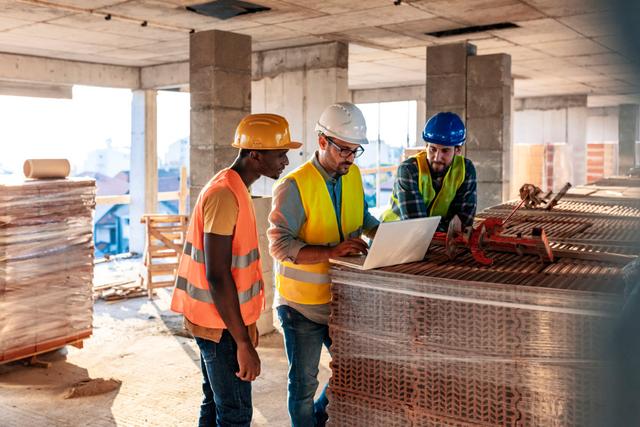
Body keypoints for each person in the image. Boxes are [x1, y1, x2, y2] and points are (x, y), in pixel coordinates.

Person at [171, 113, 301, 427]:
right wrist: (242, 342)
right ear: (255, 154)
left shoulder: (234, 187)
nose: (285, 160)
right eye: (279, 153)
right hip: (220, 327)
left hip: (221, 320)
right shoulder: (224, 195)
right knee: (235, 413)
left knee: (217, 405)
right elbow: (217, 274)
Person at [268, 102, 379, 426]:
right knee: (303, 385)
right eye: (343, 149)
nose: (349, 157)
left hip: (342, 301)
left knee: (354, 369)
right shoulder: (293, 186)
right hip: (301, 306)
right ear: (322, 142)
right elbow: (279, 244)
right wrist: (331, 251)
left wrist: (387, 234)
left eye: (355, 151)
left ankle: (317, 419)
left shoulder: (353, 175)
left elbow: (363, 218)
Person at [381, 111, 477, 231]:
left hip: (433, 241)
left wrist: (433, 226)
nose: (437, 157)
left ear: (457, 150)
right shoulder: (409, 170)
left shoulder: (466, 169)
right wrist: (450, 226)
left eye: (445, 151)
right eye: (432, 149)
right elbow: (417, 225)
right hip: (392, 236)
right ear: (426, 146)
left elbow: (464, 220)